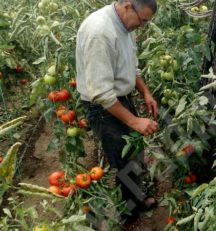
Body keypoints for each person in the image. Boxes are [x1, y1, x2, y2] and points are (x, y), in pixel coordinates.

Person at [75, 0, 159, 219]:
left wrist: (146, 93)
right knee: (122, 161)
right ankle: (126, 214)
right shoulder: (100, 32)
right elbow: (101, 93)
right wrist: (134, 121)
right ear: (128, 6)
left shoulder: (126, 26)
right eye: (142, 20)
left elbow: (132, 66)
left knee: (134, 153)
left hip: (120, 98)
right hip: (104, 107)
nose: (142, 25)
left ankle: (135, 199)